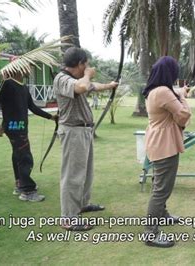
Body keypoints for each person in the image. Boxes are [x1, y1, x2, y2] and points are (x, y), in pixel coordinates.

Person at [54, 47, 118, 231]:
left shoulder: (76, 79)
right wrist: (88, 74)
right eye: (86, 64)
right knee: (72, 176)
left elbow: (91, 86)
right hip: (73, 132)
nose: (88, 67)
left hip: (83, 132)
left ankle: (81, 204)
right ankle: (68, 218)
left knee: (85, 173)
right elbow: (83, 86)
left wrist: (110, 85)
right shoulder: (63, 79)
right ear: (80, 63)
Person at [143, 56, 191, 248]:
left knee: (159, 183)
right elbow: (182, 116)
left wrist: (179, 93)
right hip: (164, 144)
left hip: (159, 142)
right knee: (161, 189)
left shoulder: (156, 90)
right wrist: (184, 98)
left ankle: (162, 215)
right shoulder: (163, 92)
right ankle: (150, 233)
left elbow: (173, 94)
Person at [0, 70, 57, 202]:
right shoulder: (7, 83)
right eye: (26, 67)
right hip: (14, 126)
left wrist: (51, 117)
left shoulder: (23, 87)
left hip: (21, 126)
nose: (28, 69)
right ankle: (28, 191)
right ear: (17, 69)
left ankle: (20, 184)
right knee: (25, 157)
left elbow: (32, 107)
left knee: (18, 155)